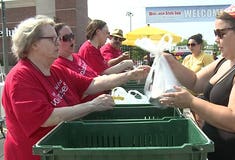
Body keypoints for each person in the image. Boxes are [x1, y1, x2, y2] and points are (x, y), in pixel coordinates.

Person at [2, 15, 150, 160]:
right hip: (33, 155)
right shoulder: (20, 77)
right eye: (53, 39)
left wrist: (129, 75)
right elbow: (46, 118)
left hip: (60, 149)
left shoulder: (54, 69)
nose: (58, 43)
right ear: (33, 43)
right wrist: (92, 105)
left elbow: (91, 83)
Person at [160, 0, 235, 160]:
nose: (216, 39)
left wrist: (191, 101)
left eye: (221, 33)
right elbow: (196, 82)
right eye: (215, 34)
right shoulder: (224, 62)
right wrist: (169, 61)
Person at [182, 33, 214, 127]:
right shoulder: (187, 58)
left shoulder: (206, 57)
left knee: (200, 121)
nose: (190, 47)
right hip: (188, 94)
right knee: (192, 121)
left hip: (200, 95)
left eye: (193, 44)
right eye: (188, 45)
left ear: (200, 45)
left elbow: (213, 74)